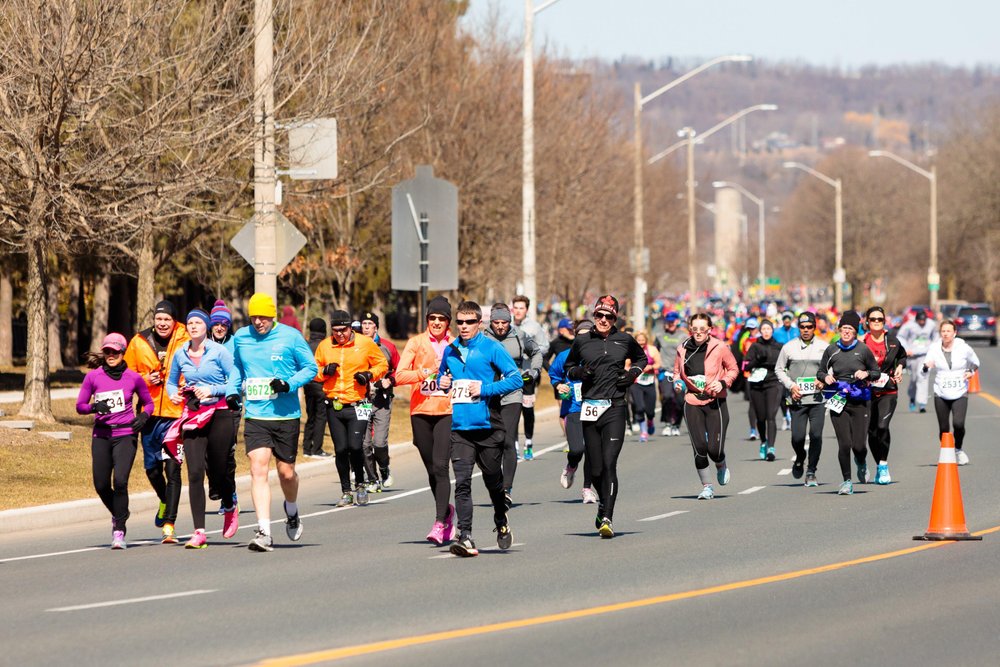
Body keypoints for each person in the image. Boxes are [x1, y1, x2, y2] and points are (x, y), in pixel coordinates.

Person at [226, 292, 319, 552]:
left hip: (286, 416)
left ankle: (291, 509)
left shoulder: (290, 337)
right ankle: (264, 531)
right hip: (256, 415)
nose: (258, 322)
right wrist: (232, 391)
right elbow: (236, 368)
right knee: (258, 468)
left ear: (272, 315)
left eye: (263, 317)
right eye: (254, 317)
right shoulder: (242, 338)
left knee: (286, 473)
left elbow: (310, 368)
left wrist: (288, 384)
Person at [438, 301, 523, 557]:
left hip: (488, 427)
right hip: (461, 428)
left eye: (469, 322)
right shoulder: (450, 350)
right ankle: (466, 536)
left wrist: (485, 390)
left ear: (479, 323)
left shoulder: (491, 347)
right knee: (462, 483)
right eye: (460, 322)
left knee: (493, 483)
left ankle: (501, 518)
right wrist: (442, 382)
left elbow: (515, 378)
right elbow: (443, 378)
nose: (463, 327)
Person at [564, 295, 646, 538]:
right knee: (596, 469)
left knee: (610, 463)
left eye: (608, 316)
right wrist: (580, 372)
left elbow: (642, 358)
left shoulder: (625, 340)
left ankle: (607, 516)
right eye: (599, 315)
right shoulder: (582, 341)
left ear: (615, 318)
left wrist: (632, 374)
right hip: (590, 407)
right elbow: (568, 368)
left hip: (615, 407)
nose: (602, 320)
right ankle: (602, 506)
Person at [166, 309, 239, 549]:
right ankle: (199, 532)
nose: (193, 326)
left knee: (218, 470)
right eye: (189, 323)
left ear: (206, 327)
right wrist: (173, 395)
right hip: (194, 414)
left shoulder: (219, 352)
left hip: (219, 413)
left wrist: (213, 390)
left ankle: (229, 504)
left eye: (198, 322)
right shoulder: (180, 354)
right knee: (195, 472)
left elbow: (235, 380)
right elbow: (170, 381)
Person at [76, 334, 154, 549]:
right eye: (107, 352)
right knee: (101, 484)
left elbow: (148, 403)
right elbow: (80, 406)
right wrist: (93, 407)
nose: (111, 355)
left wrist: (143, 417)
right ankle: (121, 512)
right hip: (101, 435)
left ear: (123, 353)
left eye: (115, 352)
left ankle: (119, 529)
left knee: (120, 481)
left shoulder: (133, 377)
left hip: (125, 435)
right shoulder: (93, 377)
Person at [123, 300, 190, 544]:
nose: (163, 324)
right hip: (149, 415)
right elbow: (125, 375)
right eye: (159, 319)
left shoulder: (185, 339)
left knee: (173, 469)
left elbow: (196, 367)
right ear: (154, 320)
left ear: (174, 321)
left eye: (167, 320)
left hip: (176, 414)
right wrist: (145, 379)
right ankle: (164, 500)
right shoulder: (139, 342)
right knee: (152, 469)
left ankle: (169, 526)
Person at [394, 296, 457, 545]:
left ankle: (440, 521)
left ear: (448, 321)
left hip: (447, 410)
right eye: (433, 318)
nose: (437, 322)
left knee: (442, 467)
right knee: (432, 468)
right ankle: (447, 510)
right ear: (427, 319)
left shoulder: (456, 343)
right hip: (420, 411)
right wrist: (424, 373)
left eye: (442, 318)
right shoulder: (416, 342)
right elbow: (399, 375)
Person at [313, 309, 388, 508]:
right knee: (340, 449)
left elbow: (382, 364)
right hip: (334, 404)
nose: (339, 334)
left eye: (343, 330)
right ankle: (346, 491)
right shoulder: (324, 346)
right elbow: (313, 371)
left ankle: (361, 485)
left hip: (360, 403)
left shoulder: (365, 343)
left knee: (356, 446)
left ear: (350, 327)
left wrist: (368, 375)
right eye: (335, 330)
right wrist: (324, 372)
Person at [673, 313, 739, 500]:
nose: (699, 333)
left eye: (703, 329)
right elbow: (677, 373)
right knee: (699, 446)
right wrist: (678, 383)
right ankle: (707, 487)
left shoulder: (719, 347)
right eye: (695, 329)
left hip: (715, 401)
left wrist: (723, 383)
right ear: (690, 329)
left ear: (709, 329)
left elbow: (734, 368)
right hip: (692, 400)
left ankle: (721, 463)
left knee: (714, 449)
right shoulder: (682, 349)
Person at [816, 311, 881, 495]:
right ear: (839, 329)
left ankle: (861, 461)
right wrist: (826, 376)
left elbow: (876, 372)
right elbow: (820, 372)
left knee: (859, 445)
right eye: (844, 328)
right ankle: (846, 481)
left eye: (850, 329)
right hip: (839, 401)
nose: (846, 332)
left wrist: (866, 374)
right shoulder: (832, 350)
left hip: (860, 401)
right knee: (844, 444)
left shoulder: (863, 350)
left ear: (855, 332)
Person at [483, 302, 542, 505]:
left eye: (504, 322)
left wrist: (534, 372)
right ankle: (495, 483)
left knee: (508, 439)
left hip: (512, 393)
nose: (500, 326)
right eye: (496, 322)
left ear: (509, 321)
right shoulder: (482, 337)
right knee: (491, 442)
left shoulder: (519, 335)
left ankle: (506, 489)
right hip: (488, 393)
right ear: (491, 321)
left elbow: (536, 352)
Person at [775, 312, 829, 486]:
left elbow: (833, 369)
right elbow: (779, 369)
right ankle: (800, 457)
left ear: (814, 327)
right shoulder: (788, 347)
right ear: (799, 328)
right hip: (797, 399)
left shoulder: (824, 346)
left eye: (809, 327)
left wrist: (823, 380)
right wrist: (791, 386)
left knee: (816, 435)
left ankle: (812, 471)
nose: (806, 330)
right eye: (803, 327)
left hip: (818, 400)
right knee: (797, 437)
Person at [549, 320, 597, 503]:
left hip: (595, 406)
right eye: (580, 335)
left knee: (593, 451)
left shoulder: (599, 355)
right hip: (573, 408)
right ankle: (571, 465)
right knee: (577, 449)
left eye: (588, 335)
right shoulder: (564, 356)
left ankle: (587, 489)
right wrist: (559, 385)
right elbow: (554, 374)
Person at [923, 320, 980, 465]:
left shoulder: (963, 347)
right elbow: (926, 363)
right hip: (941, 391)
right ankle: (947, 453)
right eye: (943, 331)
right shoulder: (935, 348)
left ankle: (959, 449)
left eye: (949, 331)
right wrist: (926, 366)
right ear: (940, 333)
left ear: (954, 333)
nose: (946, 334)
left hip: (960, 390)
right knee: (944, 427)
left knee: (958, 423)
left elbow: (975, 362)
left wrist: (970, 371)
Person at [862, 306, 907, 484]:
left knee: (882, 426)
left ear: (884, 321)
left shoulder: (893, 341)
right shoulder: (861, 342)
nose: (876, 322)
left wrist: (900, 366)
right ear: (867, 322)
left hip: (888, 390)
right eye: (873, 319)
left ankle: (883, 464)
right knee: (871, 432)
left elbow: (902, 356)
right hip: (867, 392)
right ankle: (878, 465)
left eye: (879, 319)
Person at [359, 311, 399, 491]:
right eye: (363, 324)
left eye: (369, 324)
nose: (366, 327)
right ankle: (372, 479)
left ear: (376, 326)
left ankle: (384, 469)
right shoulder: (354, 346)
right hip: (361, 400)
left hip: (382, 400)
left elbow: (399, 369)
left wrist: (389, 380)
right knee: (364, 444)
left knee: (379, 443)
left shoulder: (388, 347)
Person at [208, 299, 239, 515]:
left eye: (224, 324)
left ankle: (230, 494)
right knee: (207, 452)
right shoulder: (200, 343)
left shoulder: (236, 344)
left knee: (226, 452)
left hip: (231, 405)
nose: (220, 327)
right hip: (205, 405)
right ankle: (215, 485)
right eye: (216, 323)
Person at [511, 294, 549, 459]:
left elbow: (545, 346)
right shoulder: (507, 325)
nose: (518, 311)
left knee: (527, 410)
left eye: (521, 308)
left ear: (526, 310)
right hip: (511, 374)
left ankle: (528, 442)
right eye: (516, 308)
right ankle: (514, 446)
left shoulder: (534, 327)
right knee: (512, 409)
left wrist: (531, 352)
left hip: (527, 375)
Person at [744, 319, 784, 461]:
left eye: (769, 329)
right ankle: (763, 442)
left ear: (772, 331)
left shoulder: (779, 347)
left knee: (770, 416)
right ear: (760, 331)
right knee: (760, 418)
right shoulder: (755, 346)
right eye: (764, 329)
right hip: (757, 385)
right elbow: (745, 366)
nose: (766, 331)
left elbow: (786, 364)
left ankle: (771, 448)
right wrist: (757, 361)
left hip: (773, 383)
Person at [897, 310, 938, 412]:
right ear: (916, 320)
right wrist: (906, 349)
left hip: (925, 355)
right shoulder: (909, 325)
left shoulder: (931, 324)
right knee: (914, 379)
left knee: (923, 377)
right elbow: (900, 337)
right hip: (913, 355)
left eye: (923, 321)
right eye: (920, 321)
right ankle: (912, 397)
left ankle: (922, 403)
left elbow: (936, 338)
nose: (922, 323)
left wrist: (932, 348)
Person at [301, 318, 331, 458]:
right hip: (321, 385)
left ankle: (306, 448)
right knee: (321, 417)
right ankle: (317, 449)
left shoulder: (305, 344)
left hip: (308, 384)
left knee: (310, 416)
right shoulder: (325, 345)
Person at [655, 312, 686, 437]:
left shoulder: (683, 336)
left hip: (680, 373)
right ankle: (668, 423)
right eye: (668, 321)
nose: (671, 323)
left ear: (677, 322)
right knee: (667, 397)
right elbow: (655, 350)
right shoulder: (660, 335)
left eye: (673, 321)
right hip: (665, 372)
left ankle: (676, 424)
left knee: (679, 400)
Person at [629, 331, 661, 443]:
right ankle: (644, 432)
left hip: (649, 382)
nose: (641, 342)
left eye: (643, 340)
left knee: (650, 411)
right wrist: (632, 371)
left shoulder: (652, 349)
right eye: (639, 340)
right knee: (639, 408)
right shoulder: (631, 350)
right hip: (636, 383)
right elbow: (626, 365)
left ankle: (650, 420)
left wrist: (650, 367)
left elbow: (658, 363)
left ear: (646, 340)